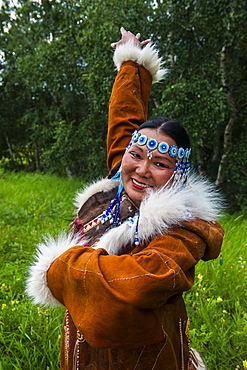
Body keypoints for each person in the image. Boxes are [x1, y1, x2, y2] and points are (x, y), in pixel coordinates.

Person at [27, 27, 224, 370]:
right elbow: (124, 121)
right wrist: (132, 64)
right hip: (81, 355)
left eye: (160, 163)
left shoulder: (185, 230)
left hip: (144, 360)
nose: (142, 170)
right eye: (136, 155)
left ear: (177, 174)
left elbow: (139, 283)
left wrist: (60, 268)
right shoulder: (121, 186)